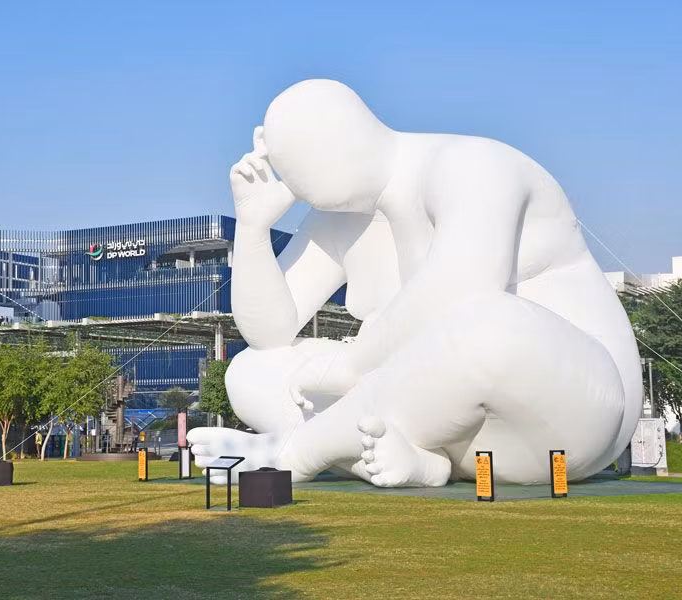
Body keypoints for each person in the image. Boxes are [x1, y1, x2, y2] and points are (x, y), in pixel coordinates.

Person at [187, 79, 642, 486]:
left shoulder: (472, 164)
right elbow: (268, 335)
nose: (301, 183)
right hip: (454, 430)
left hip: (576, 413)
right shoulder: (336, 216)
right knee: (251, 371)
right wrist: (252, 228)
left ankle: (300, 452)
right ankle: (423, 465)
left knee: (488, 324)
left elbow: (464, 285)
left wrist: (351, 366)